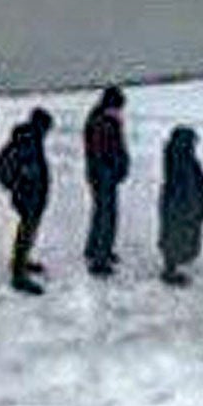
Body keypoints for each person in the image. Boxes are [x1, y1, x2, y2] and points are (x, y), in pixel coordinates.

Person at [0, 108, 53, 295]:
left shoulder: (30, 138)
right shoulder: (28, 140)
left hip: (31, 194)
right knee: (26, 231)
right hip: (28, 195)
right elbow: (13, 165)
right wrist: (18, 184)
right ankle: (19, 275)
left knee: (27, 230)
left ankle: (21, 261)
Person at [155, 126, 203, 287]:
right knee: (175, 234)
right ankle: (170, 271)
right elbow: (186, 182)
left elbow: (195, 178)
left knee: (180, 234)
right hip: (179, 203)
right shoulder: (180, 157)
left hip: (181, 201)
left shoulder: (182, 155)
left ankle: (174, 264)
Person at [83, 86, 130, 277]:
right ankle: (99, 259)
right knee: (106, 215)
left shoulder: (103, 119)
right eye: (118, 107)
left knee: (101, 213)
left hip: (102, 174)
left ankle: (95, 249)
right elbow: (104, 152)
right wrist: (115, 168)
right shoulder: (103, 122)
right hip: (103, 176)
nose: (120, 111)